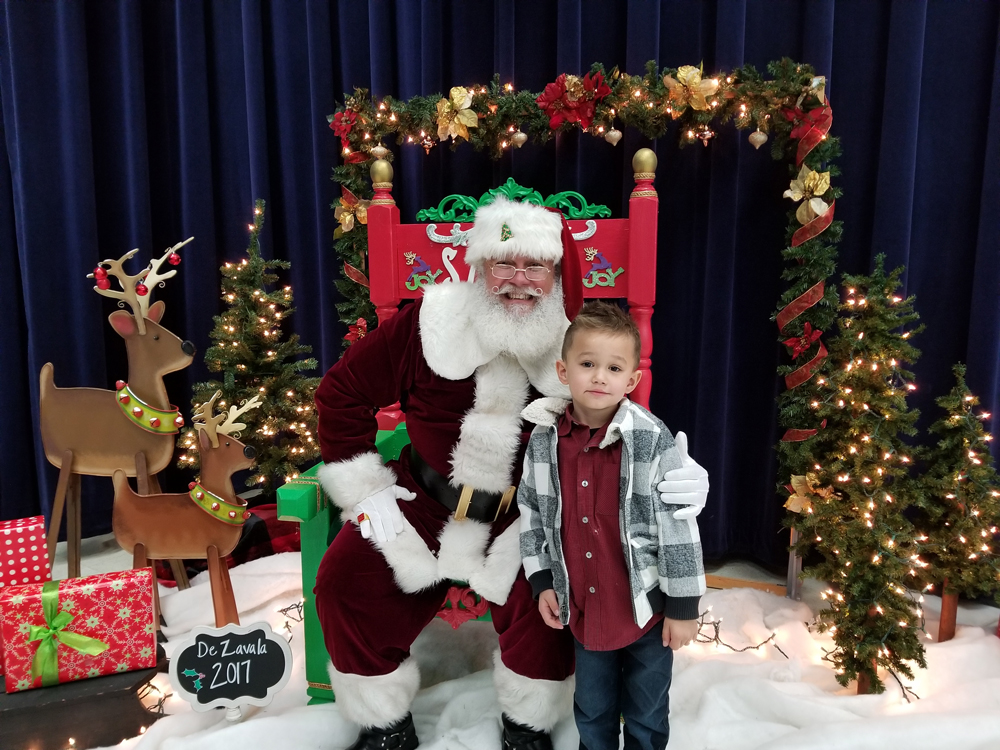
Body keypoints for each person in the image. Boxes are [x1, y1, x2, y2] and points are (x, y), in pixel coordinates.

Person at [314, 196, 582, 750]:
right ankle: (384, 724)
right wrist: (367, 492)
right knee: (346, 584)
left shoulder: (577, 339)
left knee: (552, 601)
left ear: (555, 272)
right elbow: (342, 393)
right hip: (423, 500)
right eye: (503, 263)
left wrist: (664, 467)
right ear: (478, 266)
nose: (518, 280)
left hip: (524, 513)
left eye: (535, 265)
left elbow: (617, 418)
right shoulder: (427, 323)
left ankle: (526, 726)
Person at [517, 301, 708, 750]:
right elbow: (532, 512)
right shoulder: (544, 441)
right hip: (584, 608)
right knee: (593, 707)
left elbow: (678, 528)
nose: (599, 377)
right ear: (564, 371)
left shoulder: (651, 439)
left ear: (632, 380)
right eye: (587, 364)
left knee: (645, 710)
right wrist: (542, 579)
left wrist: (683, 606)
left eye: (613, 367)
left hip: (646, 608)